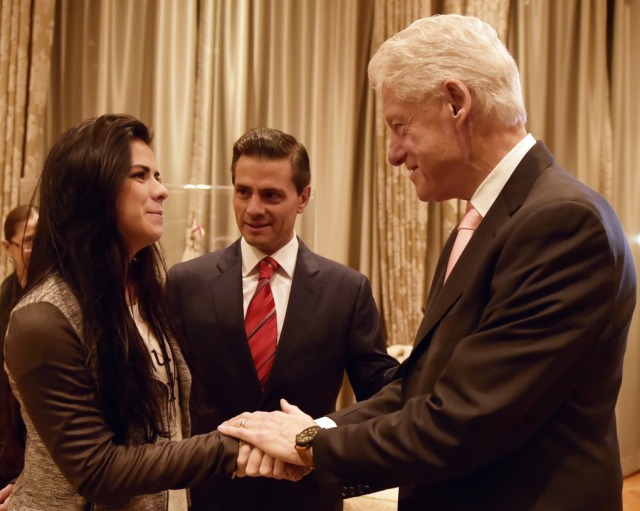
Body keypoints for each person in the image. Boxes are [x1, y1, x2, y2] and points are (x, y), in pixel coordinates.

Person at [218, 14, 637, 511]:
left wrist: (310, 447)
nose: (393, 155)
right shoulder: (483, 224)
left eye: (400, 127)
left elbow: (464, 421)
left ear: (456, 102)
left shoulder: (562, 222)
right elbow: (420, 389)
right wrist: (315, 430)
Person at [3, 114, 243, 511]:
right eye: (140, 175)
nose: (161, 191)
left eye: (157, 175)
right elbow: (97, 469)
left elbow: (165, 428)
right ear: (93, 191)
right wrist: (231, 447)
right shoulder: (42, 318)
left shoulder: (147, 296)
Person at [165, 127, 399, 511]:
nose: (253, 208)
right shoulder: (186, 282)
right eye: (243, 192)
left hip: (309, 497)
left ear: (303, 198)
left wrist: (321, 438)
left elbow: (380, 393)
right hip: (215, 495)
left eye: (271, 195)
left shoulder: (346, 289)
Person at [0, 205, 38, 507]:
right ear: (7, 247)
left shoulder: (56, 294)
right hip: (8, 442)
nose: (39, 249)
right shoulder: (5, 296)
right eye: (29, 241)